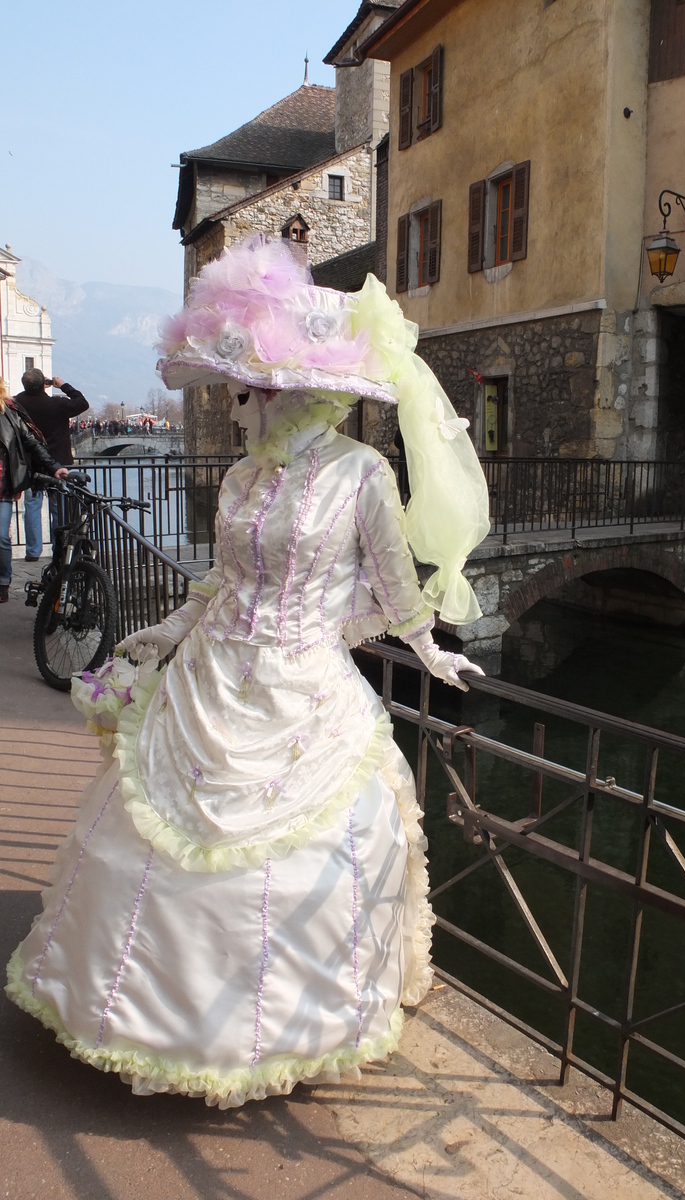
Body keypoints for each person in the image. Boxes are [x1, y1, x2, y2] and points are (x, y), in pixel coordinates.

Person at [5, 236, 490, 1108]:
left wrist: (419, 647)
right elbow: (223, 584)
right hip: (209, 682)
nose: (232, 413)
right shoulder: (236, 481)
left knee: (308, 862)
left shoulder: (363, 476)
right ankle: (151, 1020)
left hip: (305, 699)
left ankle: (292, 1029)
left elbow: (392, 590)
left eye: (244, 395)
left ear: (290, 397)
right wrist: (159, 631)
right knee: (145, 846)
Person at [0, 379, 69, 603]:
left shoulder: (10, 412)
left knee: (1, 536)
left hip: (2, 486)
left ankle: (3, 582)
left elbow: (30, 441)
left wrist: (54, 467)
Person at [15, 370, 89, 554]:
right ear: (44, 385)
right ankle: (60, 548)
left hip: (32, 463)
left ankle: (33, 551)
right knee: (60, 509)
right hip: (60, 463)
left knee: (32, 506)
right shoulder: (56, 404)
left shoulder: (17, 404)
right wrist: (63, 385)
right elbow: (82, 402)